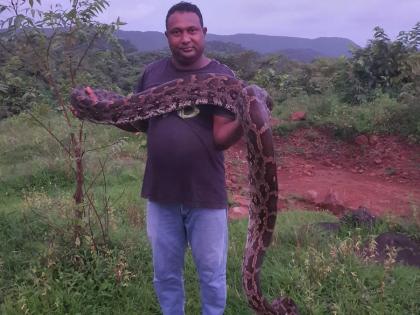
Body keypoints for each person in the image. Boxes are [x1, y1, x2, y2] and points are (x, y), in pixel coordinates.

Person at [117, 2, 242, 315]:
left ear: (204, 33)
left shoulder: (221, 77)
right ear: (167, 36)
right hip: (161, 194)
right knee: (165, 274)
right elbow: (139, 123)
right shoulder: (152, 74)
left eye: (192, 30)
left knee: (212, 273)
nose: (185, 38)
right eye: (177, 32)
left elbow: (220, 138)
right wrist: (103, 110)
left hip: (206, 194)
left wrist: (247, 121)